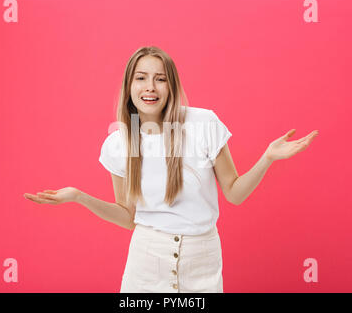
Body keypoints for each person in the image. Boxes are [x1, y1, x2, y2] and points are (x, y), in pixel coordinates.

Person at [24, 46, 319, 293]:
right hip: (146, 262)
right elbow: (128, 217)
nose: (150, 87)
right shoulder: (119, 143)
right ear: (129, 86)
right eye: (141, 78)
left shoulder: (203, 124)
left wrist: (267, 157)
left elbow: (234, 193)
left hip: (202, 260)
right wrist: (79, 197)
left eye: (160, 79)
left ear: (172, 85)